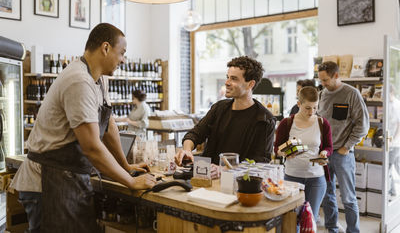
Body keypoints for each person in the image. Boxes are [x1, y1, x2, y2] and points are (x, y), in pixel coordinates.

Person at [10, 23, 156, 233]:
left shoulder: (98, 80)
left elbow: (109, 126)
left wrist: (126, 166)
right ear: (105, 48)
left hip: (67, 178)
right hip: (47, 182)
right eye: (121, 53)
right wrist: (130, 183)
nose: (123, 60)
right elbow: (91, 147)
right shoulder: (79, 81)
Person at [174, 56, 276, 178]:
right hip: (206, 179)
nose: (227, 82)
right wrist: (187, 150)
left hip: (239, 184)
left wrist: (224, 169)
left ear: (250, 84)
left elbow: (260, 161)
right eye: (227, 77)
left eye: (234, 79)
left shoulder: (264, 119)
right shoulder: (219, 108)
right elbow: (195, 134)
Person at [317, 61, 369, 233]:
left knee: (348, 198)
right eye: (321, 80)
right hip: (324, 153)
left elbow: (363, 126)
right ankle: (332, 228)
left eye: (325, 80)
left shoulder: (351, 94)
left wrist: (346, 147)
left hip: (342, 154)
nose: (323, 84)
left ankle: (353, 231)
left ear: (336, 76)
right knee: (327, 195)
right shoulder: (323, 94)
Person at [275, 86, 333, 222]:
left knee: (310, 219)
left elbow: (329, 147)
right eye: (307, 108)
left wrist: (324, 153)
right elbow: (277, 148)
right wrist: (285, 153)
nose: (311, 111)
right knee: (292, 219)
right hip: (292, 177)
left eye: (315, 107)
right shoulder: (287, 123)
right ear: (299, 104)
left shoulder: (322, 123)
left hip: (316, 178)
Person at [388, 84, 400, 197]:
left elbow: (399, 125)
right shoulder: (389, 104)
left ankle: (392, 191)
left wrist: (393, 140)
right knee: (395, 165)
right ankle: (393, 191)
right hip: (391, 142)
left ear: (391, 92)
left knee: (388, 166)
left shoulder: (396, 104)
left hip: (394, 143)